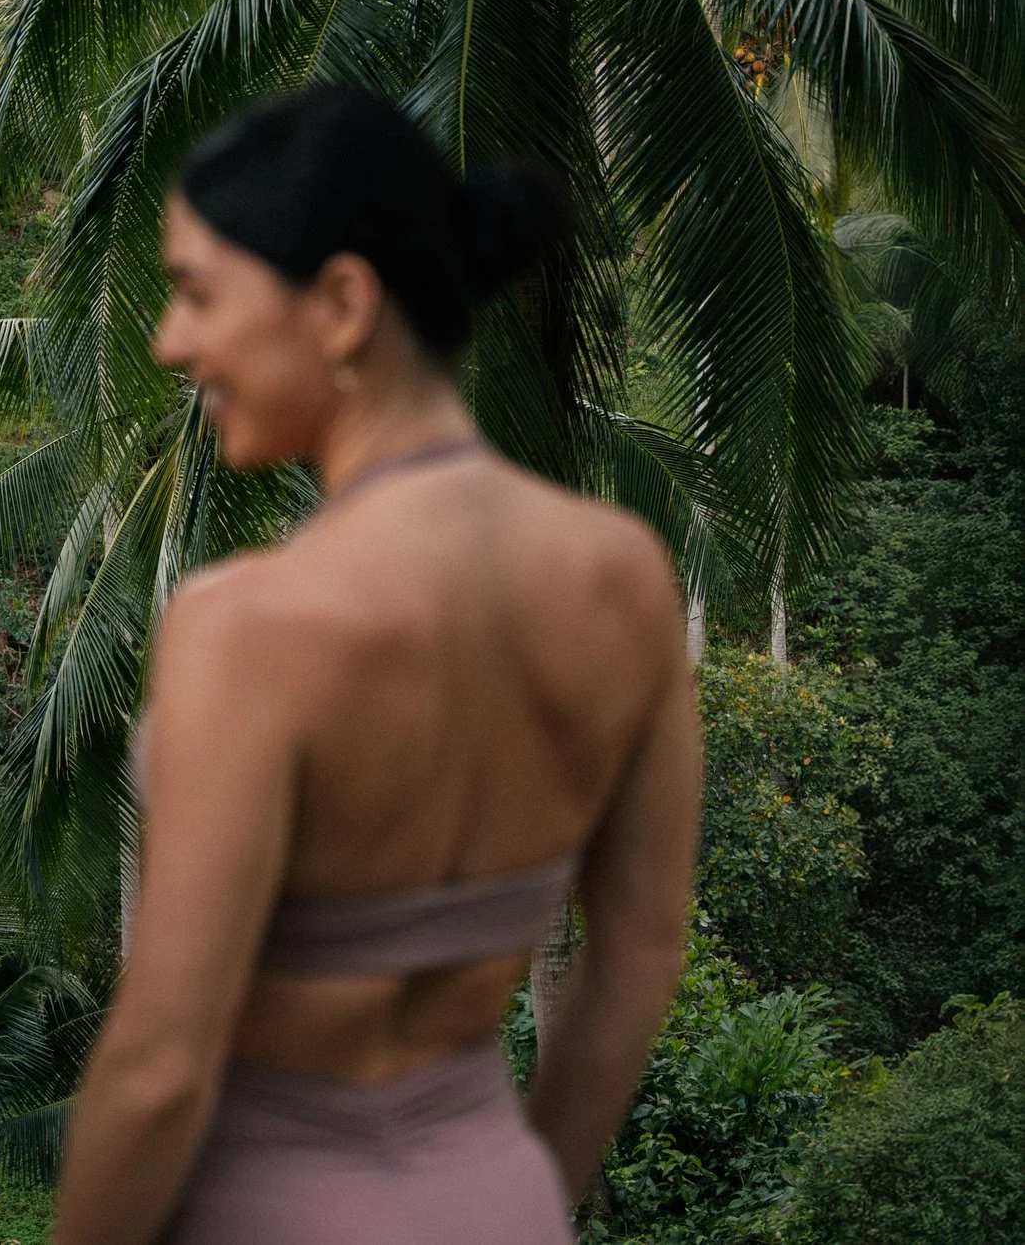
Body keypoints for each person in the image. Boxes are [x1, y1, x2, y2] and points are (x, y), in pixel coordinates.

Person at [51, 87, 700, 1245]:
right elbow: (642, 948)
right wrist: (511, 1192)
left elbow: (158, 1069)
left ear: (342, 302)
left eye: (198, 290)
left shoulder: (249, 624)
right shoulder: (625, 577)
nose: (171, 340)